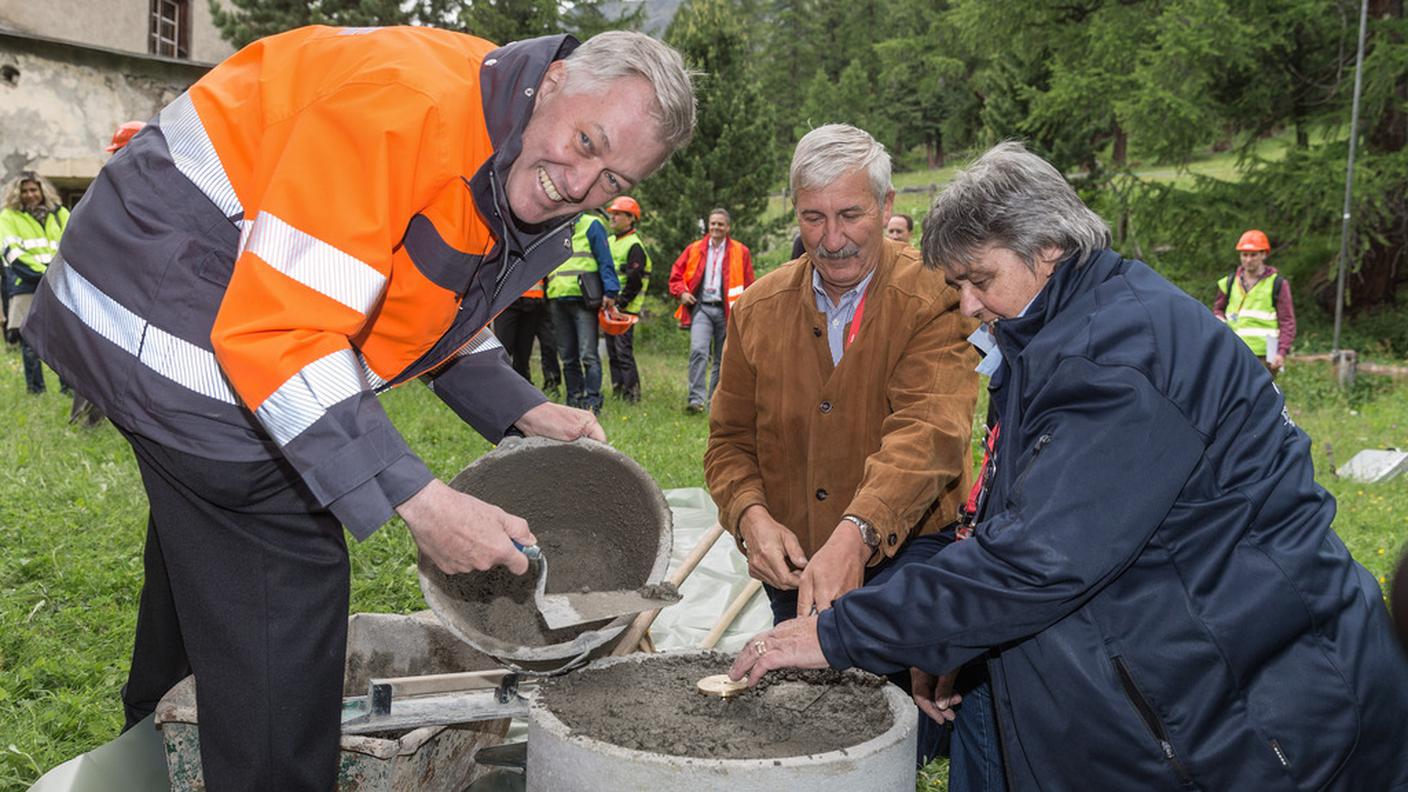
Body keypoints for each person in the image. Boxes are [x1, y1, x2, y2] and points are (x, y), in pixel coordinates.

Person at [23, 26, 694, 791]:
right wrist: (422, 499)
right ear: (559, 79)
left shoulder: (505, 143)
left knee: (209, 540)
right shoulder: (404, 110)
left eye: (613, 179)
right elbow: (280, 336)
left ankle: (161, 739)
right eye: (586, 141)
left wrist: (521, 409)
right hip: (162, 304)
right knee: (284, 551)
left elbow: (421, 303)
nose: (581, 185)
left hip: (200, 301)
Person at [729, 142, 1408, 790]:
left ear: (1048, 247)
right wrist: (952, 640)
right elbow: (1018, 514)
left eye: (979, 279)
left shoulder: (1119, 360)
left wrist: (840, 631)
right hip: (1197, 692)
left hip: (1267, 716)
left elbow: (1034, 559)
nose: (967, 306)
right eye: (958, 284)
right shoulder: (1056, 331)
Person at [705, 124, 982, 771]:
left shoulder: (937, 299)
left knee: (898, 738)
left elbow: (930, 432)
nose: (833, 238)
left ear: (886, 210)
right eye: (814, 217)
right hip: (799, 568)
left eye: (851, 214)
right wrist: (751, 516)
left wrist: (857, 533)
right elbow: (729, 442)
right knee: (804, 737)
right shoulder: (757, 310)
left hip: (911, 552)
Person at [668, 208, 754, 413]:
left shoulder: (741, 251)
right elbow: (676, 274)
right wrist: (681, 293)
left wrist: (748, 313)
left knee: (722, 358)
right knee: (698, 350)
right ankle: (695, 400)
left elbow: (750, 283)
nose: (716, 227)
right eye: (713, 223)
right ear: (708, 225)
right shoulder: (695, 248)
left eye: (720, 224)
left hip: (728, 313)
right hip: (702, 308)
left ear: (728, 227)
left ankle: (715, 402)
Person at [0, 171, 68, 393]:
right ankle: (36, 390)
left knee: (62, 337)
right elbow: (12, 253)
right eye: (25, 191)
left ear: (42, 190)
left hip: (59, 284)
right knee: (29, 340)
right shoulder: (8, 217)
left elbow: (75, 245)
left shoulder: (60, 214)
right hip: (27, 283)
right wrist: (45, 273)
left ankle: (67, 387)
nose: (30, 195)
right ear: (17, 194)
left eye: (34, 189)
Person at [546, 211, 619, 413]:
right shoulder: (553, 227)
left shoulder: (591, 224)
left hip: (584, 299)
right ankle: (574, 400)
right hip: (557, 298)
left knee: (588, 354)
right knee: (568, 356)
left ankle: (592, 401)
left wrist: (610, 290)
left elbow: (605, 259)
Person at [1212, 229, 1295, 376]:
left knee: (1261, 397)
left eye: (1253, 255)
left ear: (1264, 254)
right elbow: (1218, 310)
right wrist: (1221, 320)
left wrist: (1281, 352)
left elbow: (1287, 321)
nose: (1248, 260)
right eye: (1244, 255)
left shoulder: (1277, 284)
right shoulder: (1229, 283)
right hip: (1234, 351)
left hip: (1265, 355)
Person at [604, 195, 651, 402]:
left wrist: (620, 303)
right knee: (613, 353)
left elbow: (635, 281)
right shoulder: (610, 241)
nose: (612, 218)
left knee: (623, 354)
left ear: (630, 218)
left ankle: (632, 395)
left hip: (625, 310)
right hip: (610, 308)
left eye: (617, 214)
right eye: (611, 214)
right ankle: (618, 392)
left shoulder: (635, 246)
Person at [494, 277, 563, 394]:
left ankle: (521, 391)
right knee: (503, 349)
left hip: (532, 302)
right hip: (507, 302)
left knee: (523, 353)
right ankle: (498, 389)